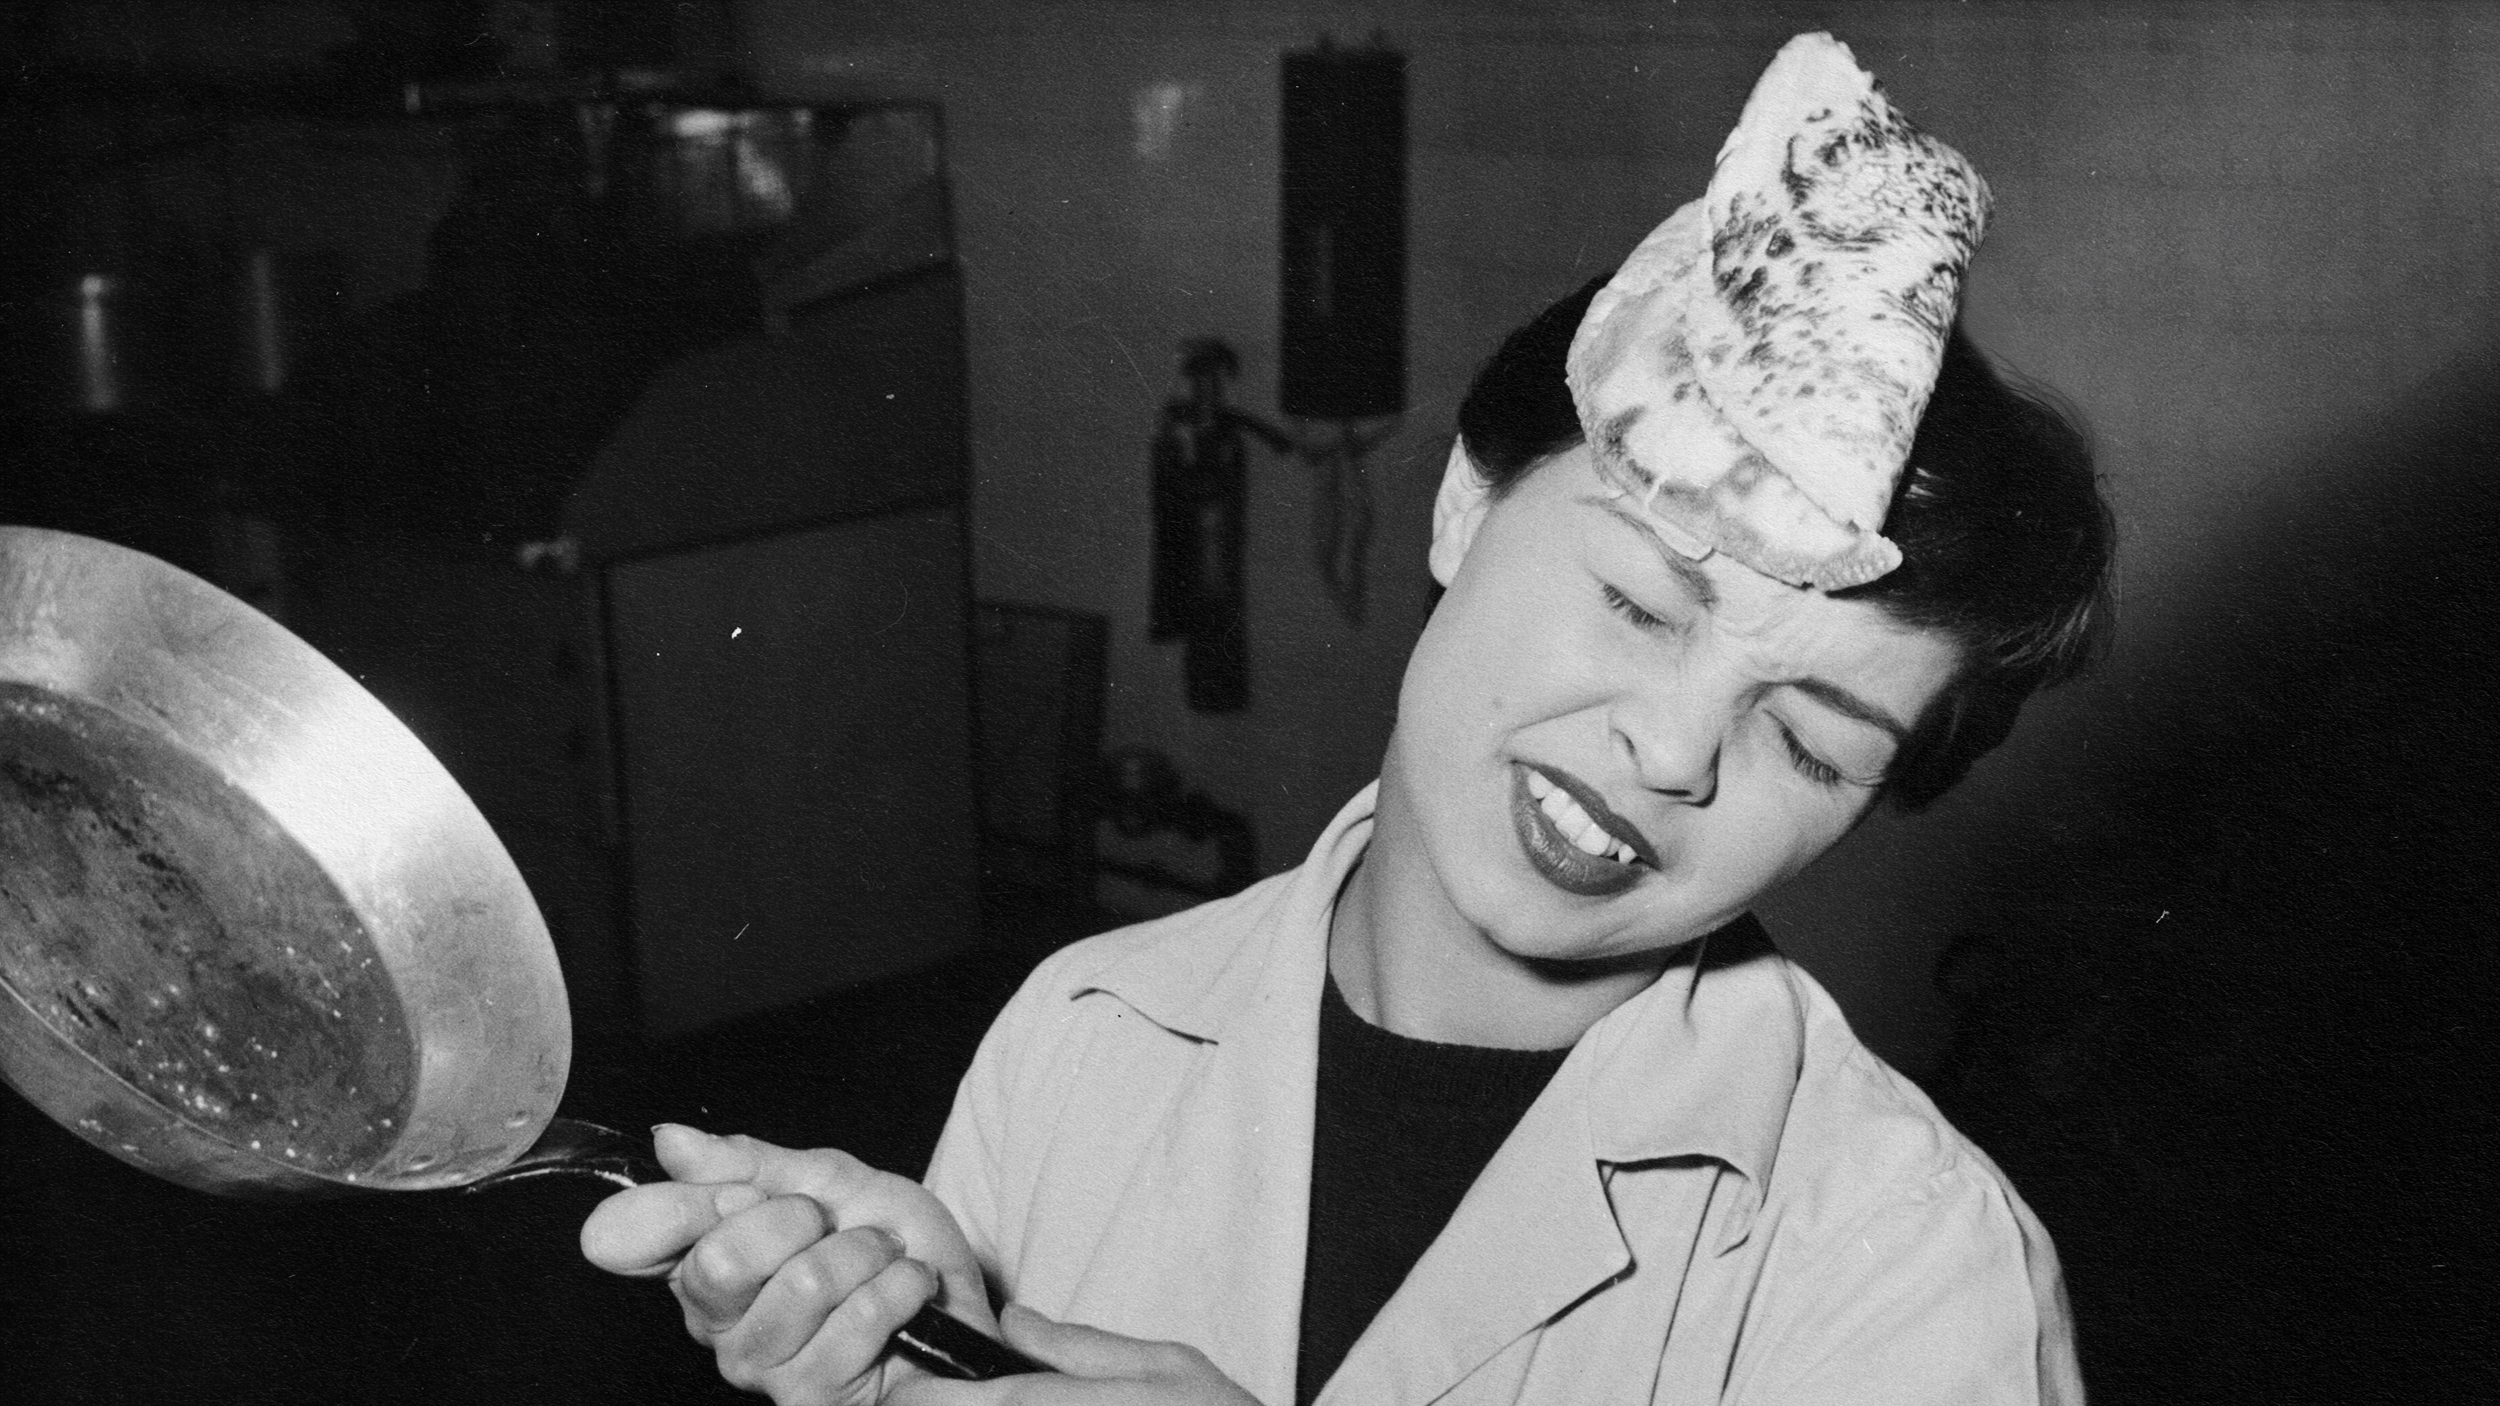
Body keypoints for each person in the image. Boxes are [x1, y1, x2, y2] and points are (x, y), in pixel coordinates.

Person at [582, 36, 2115, 1404]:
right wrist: (921, 1368)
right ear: (1464, 501)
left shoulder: (1902, 1272)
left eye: (1811, 741)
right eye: (1643, 603)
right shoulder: (1084, 1035)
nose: (1670, 750)